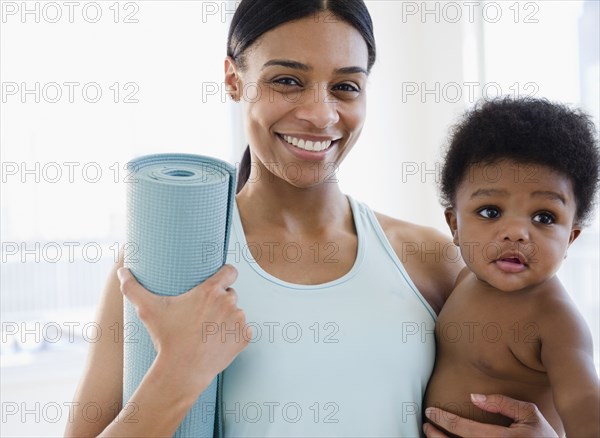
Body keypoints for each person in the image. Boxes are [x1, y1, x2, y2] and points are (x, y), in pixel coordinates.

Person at [65, 1, 558, 436]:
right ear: (234, 79)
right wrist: (179, 370)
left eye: (344, 86)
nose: (321, 115)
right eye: (287, 81)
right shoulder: (164, 266)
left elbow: (528, 400)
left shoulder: (429, 259)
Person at [424, 97, 600, 438]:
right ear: (454, 226)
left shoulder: (555, 319)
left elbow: (584, 401)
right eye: (491, 211)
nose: (516, 233)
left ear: (571, 239)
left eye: (544, 217)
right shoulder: (461, 281)